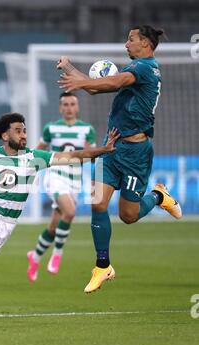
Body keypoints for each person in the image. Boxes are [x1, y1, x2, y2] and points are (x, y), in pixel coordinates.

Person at [0, 112, 118, 322]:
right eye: (18, 131)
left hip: (5, 224)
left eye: (25, 130)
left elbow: (73, 157)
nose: (24, 135)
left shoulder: (35, 158)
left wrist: (103, 150)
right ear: (5, 136)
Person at [57, 25, 182, 294]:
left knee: (128, 215)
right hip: (111, 147)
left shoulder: (146, 68)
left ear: (146, 44)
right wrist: (69, 69)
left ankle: (159, 196)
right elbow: (95, 89)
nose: (126, 44)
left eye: (131, 39)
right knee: (97, 202)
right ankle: (103, 266)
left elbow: (112, 82)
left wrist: (78, 82)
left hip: (136, 153)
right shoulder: (133, 69)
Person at [27, 92, 96, 282]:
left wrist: (88, 153)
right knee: (71, 212)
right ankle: (57, 253)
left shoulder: (87, 130)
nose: (69, 108)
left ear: (77, 107)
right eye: (65, 104)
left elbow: (91, 156)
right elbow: (37, 152)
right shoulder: (51, 128)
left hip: (75, 180)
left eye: (72, 104)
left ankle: (35, 257)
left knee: (53, 227)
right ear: (60, 107)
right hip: (54, 176)